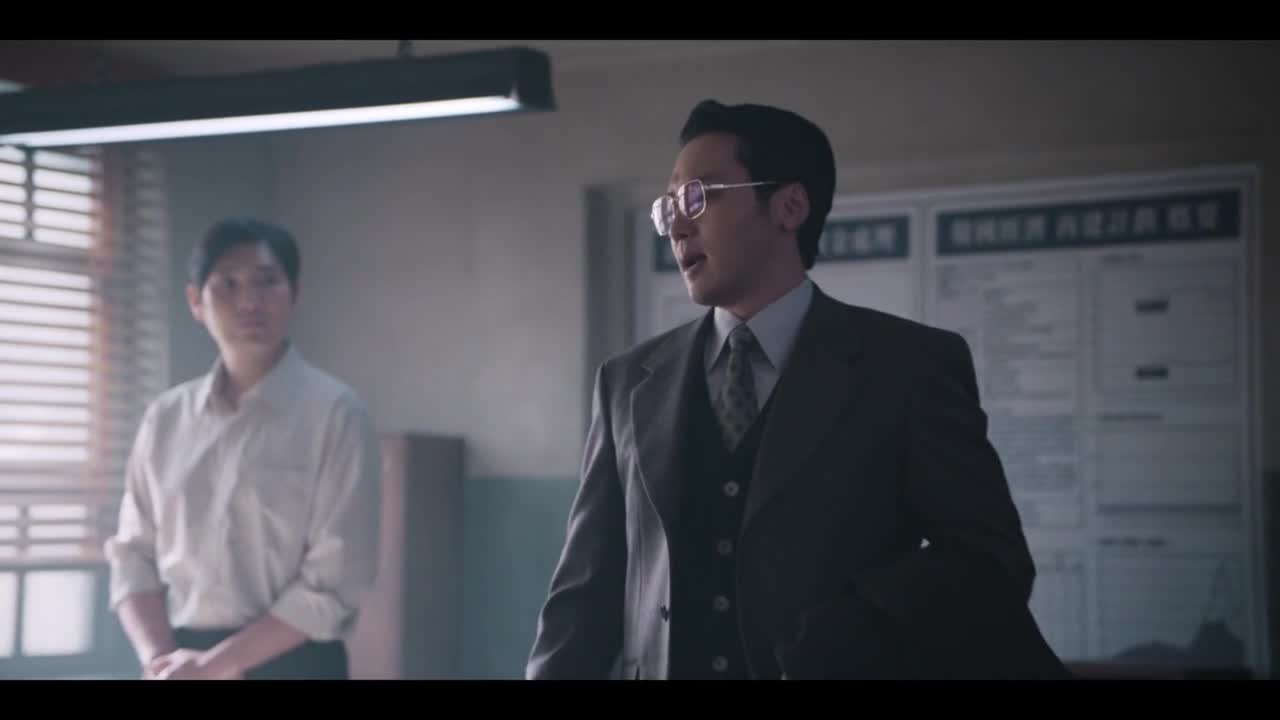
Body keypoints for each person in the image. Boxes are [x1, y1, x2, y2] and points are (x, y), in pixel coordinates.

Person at [526, 100, 1069, 680]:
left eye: (699, 197)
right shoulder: (628, 382)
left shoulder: (908, 368)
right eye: (670, 206)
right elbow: (584, 598)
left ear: (789, 206)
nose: (678, 226)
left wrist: (857, 628)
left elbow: (991, 562)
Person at [103, 219, 382, 680]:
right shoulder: (165, 418)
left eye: (267, 281)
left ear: (294, 293)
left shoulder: (335, 414)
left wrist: (216, 666)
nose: (250, 301)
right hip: (179, 659)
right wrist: (161, 661)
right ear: (196, 301)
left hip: (295, 660)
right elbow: (133, 556)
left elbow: (335, 580)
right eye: (228, 284)